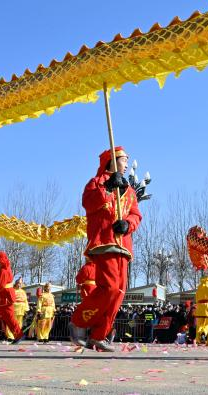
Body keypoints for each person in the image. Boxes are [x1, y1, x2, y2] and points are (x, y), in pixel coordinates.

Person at [69, 146, 142, 352]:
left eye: (128, 160)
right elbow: (88, 203)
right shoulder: (96, 183)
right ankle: (78, 322)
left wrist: (128, 224)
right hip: (104, 242)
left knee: (119, 292)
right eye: (124, 159)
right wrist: (108, 188)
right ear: (112, 160)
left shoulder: (129, 190)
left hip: (123, 246)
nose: (127, 163)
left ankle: (99, 336)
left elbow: (136, 214)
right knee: (108, 288)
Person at [0, 251, 23, 344]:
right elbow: (1, 279)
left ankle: (18, 335)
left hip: (5, 297)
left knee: (9, 318)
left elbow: (0, 285)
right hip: (2, 297)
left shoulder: (3, 270)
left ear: (0, 260)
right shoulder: (3, 269)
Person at [193, 276, 208, 343]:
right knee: (207, 323)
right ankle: (204, 332)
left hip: (199, 307)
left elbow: (196, 298)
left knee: (199, 324)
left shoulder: (199, 288)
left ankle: (198, 339)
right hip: (207, 307)